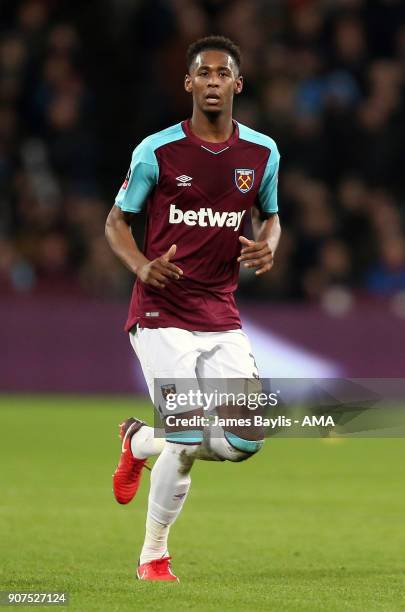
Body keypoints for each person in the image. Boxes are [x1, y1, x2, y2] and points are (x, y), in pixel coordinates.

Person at [105, 35, 281, 582]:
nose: (211, 81)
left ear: (237, 83)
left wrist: (270, 241)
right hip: (160, 312)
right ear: (188, 84)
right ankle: (153, 556)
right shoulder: (155, 151)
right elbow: (116, 224)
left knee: (244, 441)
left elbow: (271, 216)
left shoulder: (262, 152)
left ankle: (138, 441)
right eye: (201, 73)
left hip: (220, 312)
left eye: (221, 73)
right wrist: (140, 266)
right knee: (184, 435)